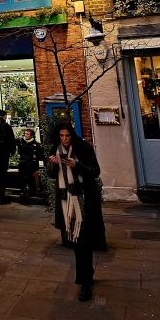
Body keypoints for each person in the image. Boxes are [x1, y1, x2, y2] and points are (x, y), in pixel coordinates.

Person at [47, 124, 106, 302]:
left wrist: (77, 165)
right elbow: (51, 175)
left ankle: (85, 282)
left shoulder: (84, 148)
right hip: (66, 203)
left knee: (83, 241)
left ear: (72, 136)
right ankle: (86, 276)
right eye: (61, 136)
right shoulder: (55, 150)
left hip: (83, 202)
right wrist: (52, 165)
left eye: (67, 136)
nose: (64, 139)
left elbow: (95, 171)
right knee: (77, 242)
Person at [18, 127, 44, 202]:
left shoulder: (36, 144)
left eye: (28, 134)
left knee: (30, 178)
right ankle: (22, 192)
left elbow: (39, 154)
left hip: (31, 164)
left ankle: (31, 191)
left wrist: (35, 157)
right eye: (25, 133)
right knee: (22, 179)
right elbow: (20, 152)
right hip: (23, 163)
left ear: (31, 135)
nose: (26, 135)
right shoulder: (21, 142)